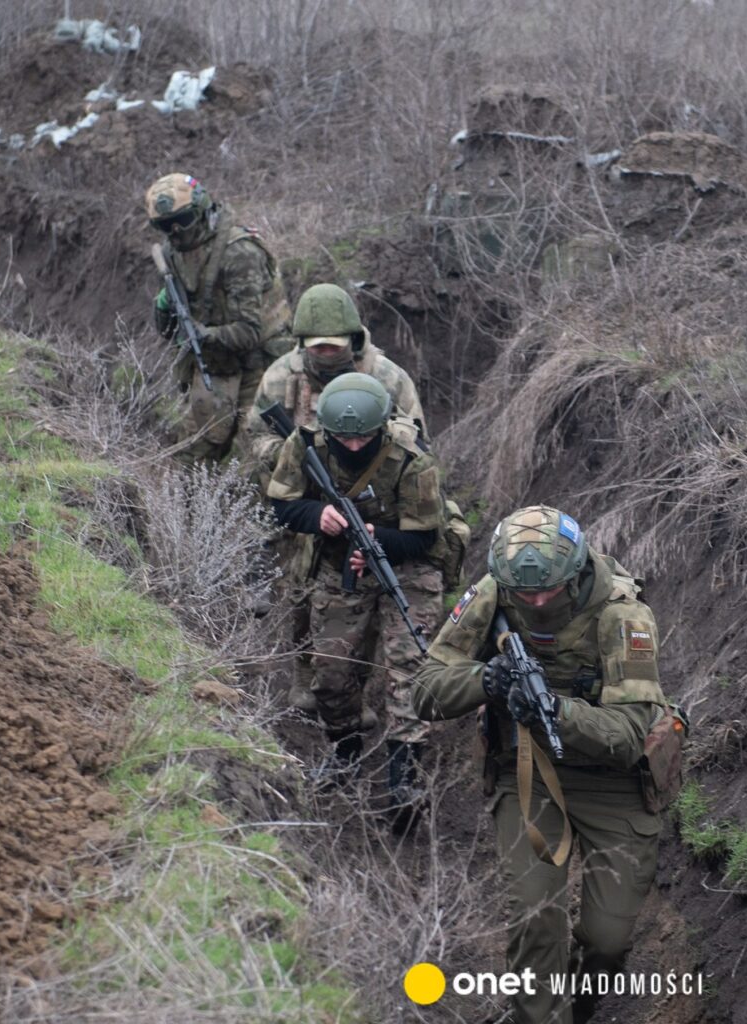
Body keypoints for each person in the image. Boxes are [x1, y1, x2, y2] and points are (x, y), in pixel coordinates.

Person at [413, 506, 683, 1024]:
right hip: (528, 773)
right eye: (525, 594)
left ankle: (578, 1006)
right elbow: (424, 691)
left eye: (547, 592)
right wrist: (488, 681)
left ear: (576, 573)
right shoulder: (497, 589)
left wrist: (556, 709)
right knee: (537, 917)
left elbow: (628, 737)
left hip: (615, 782)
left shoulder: (620, 614)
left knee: (607, 942)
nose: (535, 602)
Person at [264, 372, 449, 813]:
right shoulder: (307, 443)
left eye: (361, 438)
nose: (351, 447)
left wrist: (377, 539)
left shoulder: (411, 458)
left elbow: (425, 537)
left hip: (407, 567)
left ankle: (405, 780)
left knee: (409, 669)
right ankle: (345, 753)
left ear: (380, 428)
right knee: (330, 673)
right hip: (338, 563)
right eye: (342, 439)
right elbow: (282, 504)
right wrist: (318, 514)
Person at [145, 172, 294, 463]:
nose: (175, 231)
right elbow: (167, 332)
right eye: (164, 226)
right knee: (190, 457)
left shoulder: (239, 253)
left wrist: (204, 335)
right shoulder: (172, 255)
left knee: (252, 459)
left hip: (260, 364)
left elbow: (250, 331)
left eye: (183, 220)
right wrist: (164, 303)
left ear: (201, 212)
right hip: (216, 365)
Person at [241, 282, 426, 476]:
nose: (327, 354)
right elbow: (256, 437)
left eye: (335, 346)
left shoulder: (388, 377)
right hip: (301, 479)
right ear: (303, 342)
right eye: (319, 347)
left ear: (352, 339)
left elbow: (418, 443)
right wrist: (289, 453)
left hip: (376, 478)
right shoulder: (279, 377)